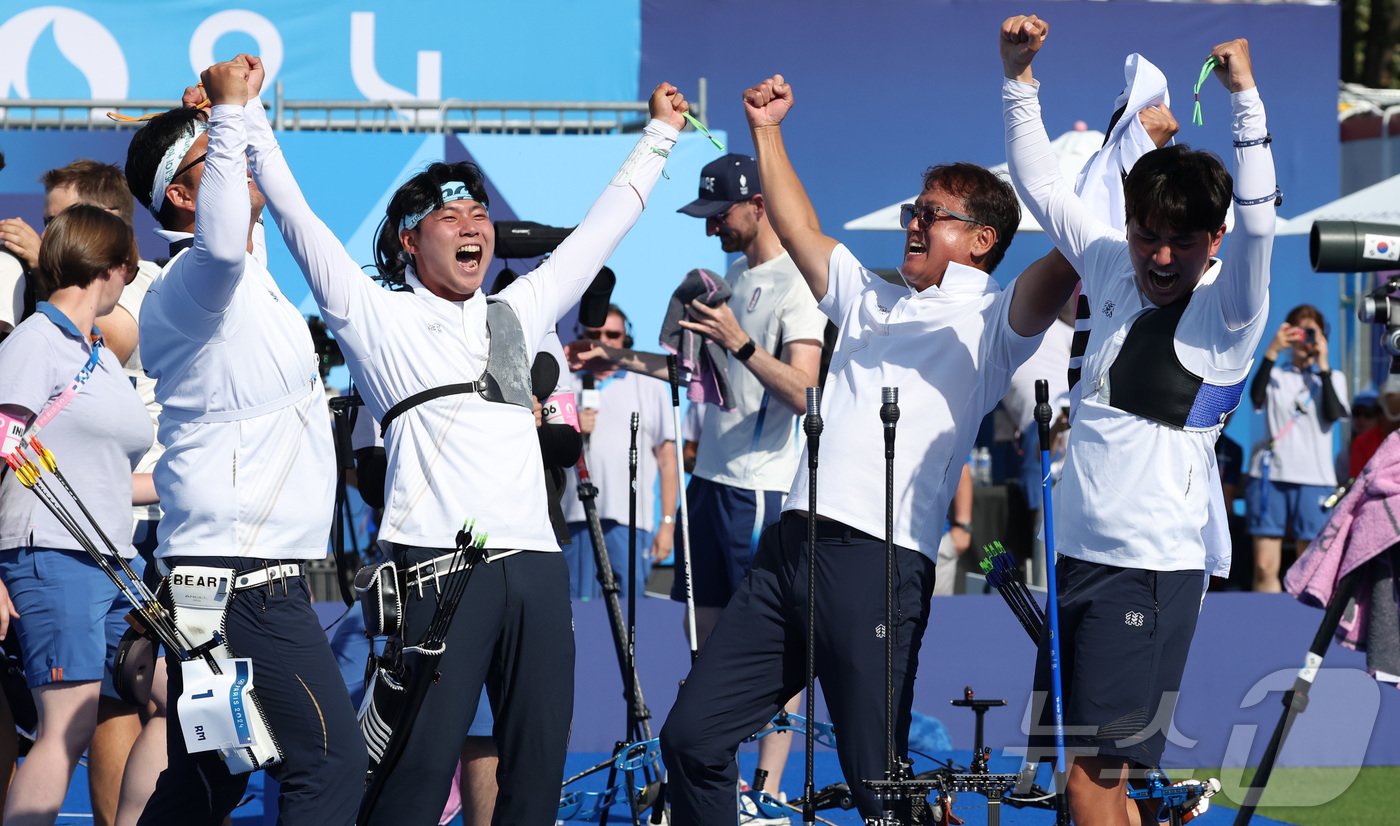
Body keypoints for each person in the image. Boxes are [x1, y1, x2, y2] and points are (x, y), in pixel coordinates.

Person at [235, 45, 688, 821]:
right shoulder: (374, 315)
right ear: (411, 240)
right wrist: (241, 114)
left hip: (538, 568)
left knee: (536, 769)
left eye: (479, 213)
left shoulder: (520, 309)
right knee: (415, 771)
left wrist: (660, 135)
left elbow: (603, 230)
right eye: (450, 216)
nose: (473, 226)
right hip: (440, 564)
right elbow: (295, 216)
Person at [659, 72, 1078, 822]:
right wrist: (766, 130)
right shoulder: (871, 292)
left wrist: (1112, 148)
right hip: (789, 550)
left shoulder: (993, 319)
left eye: (933, 215)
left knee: (879, 790)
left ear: (982, 240)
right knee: (691, 737)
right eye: (914, 211)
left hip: (878, 565)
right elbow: (797, 227)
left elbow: (1065, 262)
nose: (914, 225)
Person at [1002, 16, 1276, 825]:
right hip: (1079, 559)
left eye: (1181, 244)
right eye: (1147, 236)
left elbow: (1261, 221)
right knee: (1087, 786)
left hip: (1151, 568)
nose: (1160, 259)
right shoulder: (1111, 260)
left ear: (1213, 239)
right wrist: (1018, 78)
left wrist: (1246, 99)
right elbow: (1043, 187)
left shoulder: (1233, 305)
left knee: (1091, 782)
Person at [121, 57, 366, 825]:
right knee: (326, 762)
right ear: (185, 197)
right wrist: (221, 121)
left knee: (215, 778)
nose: (240, 166)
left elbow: (237, 221)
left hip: (226, 579)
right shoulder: (191, 284)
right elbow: (223, 242)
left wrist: (227, 117)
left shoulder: (237, 272)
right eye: (216, 161)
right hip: (241, 582)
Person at [566, 152, 827, 813]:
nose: (712, 229)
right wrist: (620, 357)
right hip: (708, 484)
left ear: (758, 206)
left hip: (760, 489)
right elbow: (694, 377)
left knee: (764, 649)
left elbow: (807, 393)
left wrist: (739, 342)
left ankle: (766, 792)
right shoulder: (729, 278)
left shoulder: (798, 283)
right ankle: (723, 784)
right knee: (709, 650)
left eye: (721, 214)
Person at [0, 205, 153, 826]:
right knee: (68, 725)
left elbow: (109, 479)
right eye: (130, 269)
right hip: (49, 555)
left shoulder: (97, 353)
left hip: (118, 560)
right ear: (114, 269)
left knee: (187, 699)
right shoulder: (34, 343)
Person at [35, 159, 170, 826]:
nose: (47, 234)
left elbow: (117, 337)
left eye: (61, 222)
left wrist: (53, 272)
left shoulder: (146, 288)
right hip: (83, 535)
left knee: (170, 702)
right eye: (47, 223)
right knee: (99, 706)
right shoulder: (42, 318)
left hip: (151, 531)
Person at [562, 304, 678, 598]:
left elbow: (668, 461)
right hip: (575, 518)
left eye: (612, 335)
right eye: (594, 333)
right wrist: (573, 430)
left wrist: (667, 525)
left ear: (626, 340)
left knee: (629, 613)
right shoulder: (565, 382)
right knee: (578, 609)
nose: (603, 340)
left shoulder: (649, 385)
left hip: (630, 521)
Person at [1246, 305, 1349, 592]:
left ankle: (1304, 631)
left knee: (1309, 565)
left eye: (1311, 332)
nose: (1305, 338)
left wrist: (1323, 364)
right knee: (1264, 565)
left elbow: (1333, 414)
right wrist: (1272, 350)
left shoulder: (1333, 378)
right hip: (1271, 476)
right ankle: (1265, 628)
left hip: (1315, 479)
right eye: (1299, 330)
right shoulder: (1276, 375)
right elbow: (1255, 397)